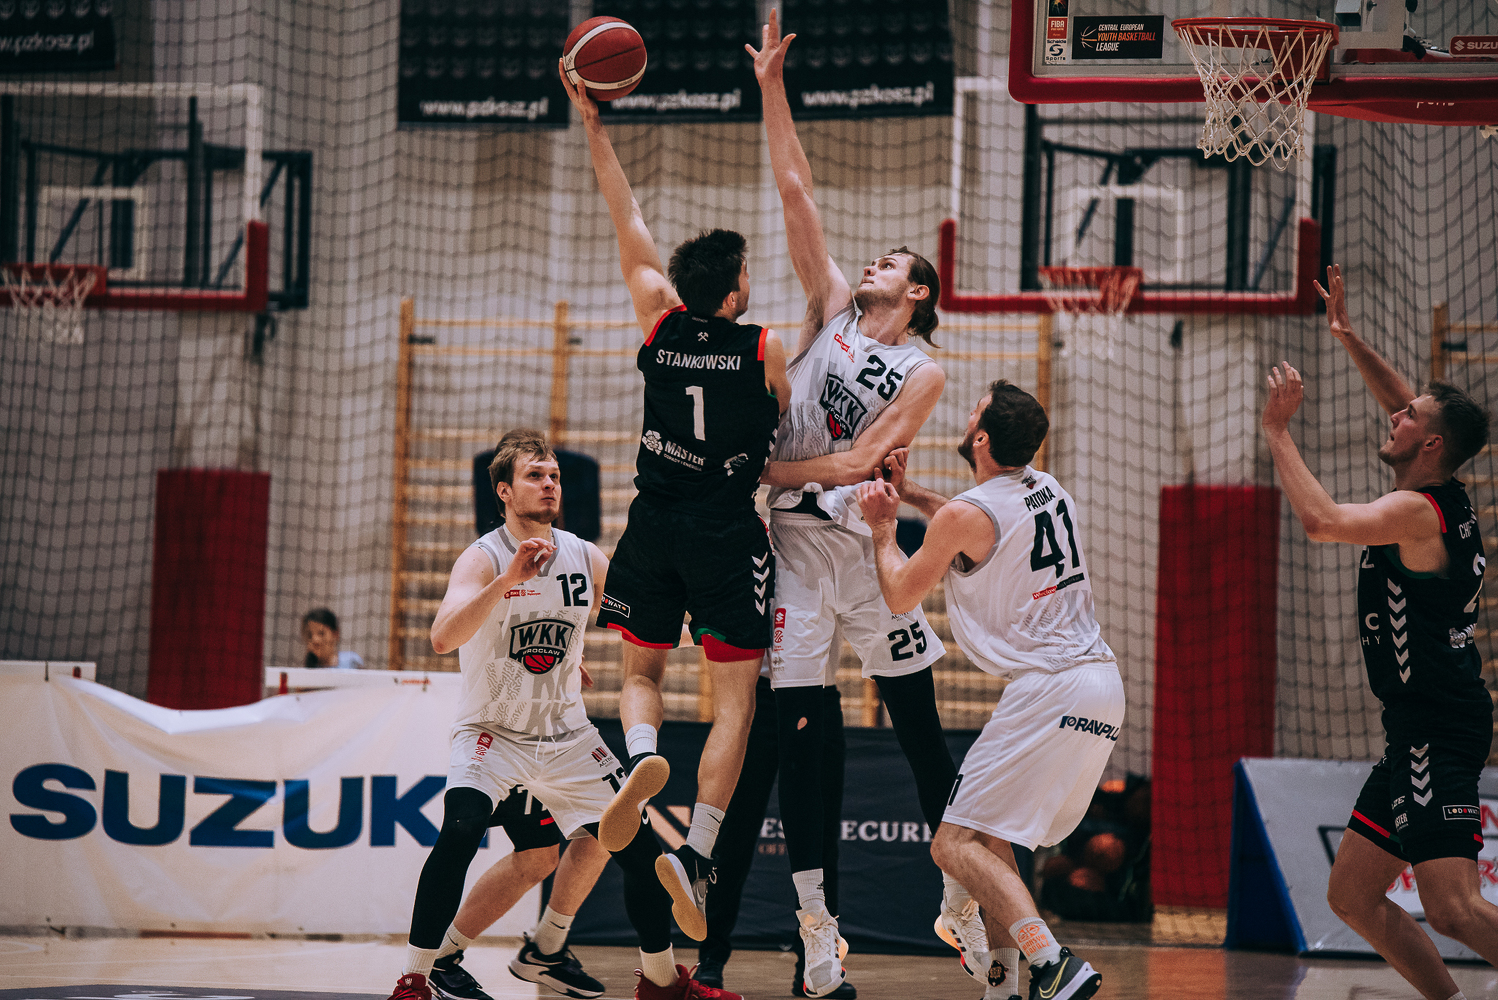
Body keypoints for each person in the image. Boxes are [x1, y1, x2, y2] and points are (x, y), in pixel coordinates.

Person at [746, 13, 976, 996]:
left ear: (918, 292)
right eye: (875, 257)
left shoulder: (923, 369)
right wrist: (770, 88)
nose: (875, 263)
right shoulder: (831, 309)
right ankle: (816, 930)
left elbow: (860, 463)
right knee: (802, 743)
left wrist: (768, 469)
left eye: (894, 263)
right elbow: (796, 190)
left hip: (868, 554)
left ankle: (962, 892)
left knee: (922, 728)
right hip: (798, 557)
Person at [561, 63, 790, 1000]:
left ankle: (641, 752)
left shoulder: (656, 323)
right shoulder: (765, 346)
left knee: (641, 674)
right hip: (726, 535)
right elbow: (785, 423)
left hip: (650, 524)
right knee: (735, 705)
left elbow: (628, 219)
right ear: (733, 294)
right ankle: (696, 851)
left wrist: (595, 126)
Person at [1264, 265, 1495, 1000]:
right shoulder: (1439, 486)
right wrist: (1347, 335)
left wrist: (1277, 431)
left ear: (1431, 444)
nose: (1394, 415)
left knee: (1453, 908)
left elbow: (1322, 521)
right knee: (1353, 897)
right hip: (1419, 725)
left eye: (1408, 418)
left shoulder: (1415, 513)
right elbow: (1406, 403)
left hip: (1437, 726)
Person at [383, 430, 675, 1000]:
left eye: (554, 476)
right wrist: (508, 581)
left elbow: (640, 622)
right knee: (463, 830)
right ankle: (416, 976)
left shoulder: (583, 555)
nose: (549, 485)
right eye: (535, 476)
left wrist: (715, 634)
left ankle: (660, 980)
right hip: (493, 733)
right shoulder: (484, 557)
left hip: (566, 736)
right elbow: (442, 637)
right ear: (504, 491)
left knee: (636, 848)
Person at [855, 380, 1120, 1000]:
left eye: (975, 408)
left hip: (1050, 689)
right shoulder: (1048, 488)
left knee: (952, 844)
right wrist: (913, 493)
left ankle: (1052, 961)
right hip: (1100, 686)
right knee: (992, 837)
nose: (968, 410)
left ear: (980, 437)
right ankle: (1002, 986)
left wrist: (883, 526)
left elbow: (900, 594)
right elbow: (971, 523)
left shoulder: (966, 515)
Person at [695, 652, 856, 999]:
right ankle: (710, 958)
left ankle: (815, 966)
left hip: (820, 692)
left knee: (822, 840)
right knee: (734, 836)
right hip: (760, 695)